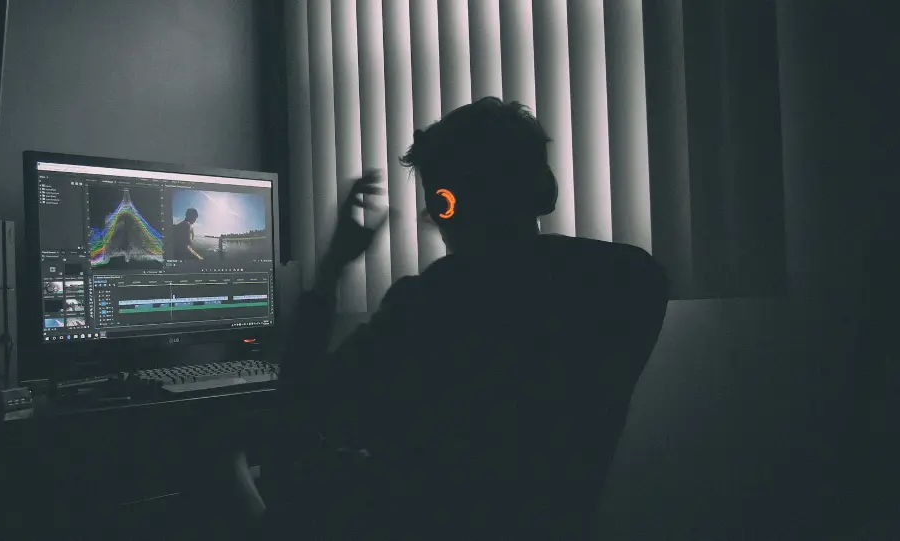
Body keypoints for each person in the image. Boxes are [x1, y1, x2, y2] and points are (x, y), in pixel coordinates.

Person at [251, 97, 670, 539]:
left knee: (243, 476)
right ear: (546, 190)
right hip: (551, 524)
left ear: (444, 205)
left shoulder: (430, 304)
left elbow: (302, 410)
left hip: (417, 523)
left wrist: (332, 268)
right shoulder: (630, 280)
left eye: (438, 201)